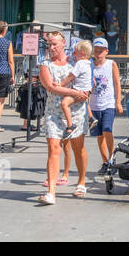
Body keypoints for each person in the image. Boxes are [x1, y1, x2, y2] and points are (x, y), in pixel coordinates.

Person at [36, 31, 91, 205]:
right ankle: (51, 191)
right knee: (53, 149)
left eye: (54, 44)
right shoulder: (45, 65)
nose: (51, 48)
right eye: (49, 45)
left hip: (76, 110)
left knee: (78, 147)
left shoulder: (76, 60)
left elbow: (90, 79)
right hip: (54, 111)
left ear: (63, 44)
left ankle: (81, 181)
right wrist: (75, 92)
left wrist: (87, 91)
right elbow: (51, 87)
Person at [89, 37, 122, 176]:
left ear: (106, 51)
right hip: (94, 105)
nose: (98, 53)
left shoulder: (111, 64)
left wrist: (118, 102)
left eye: (101, 51)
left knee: (107, 130)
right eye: (96, 50)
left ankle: (112, 158)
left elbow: (116, 83)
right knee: (99, 135)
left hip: (108, 103)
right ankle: (105, 162)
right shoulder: (89, 65)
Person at [58, 40, 94, 140]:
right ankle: (91, 118)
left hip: (78, 91)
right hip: (86, 91)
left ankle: (70, 126)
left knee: (64, 103)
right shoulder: (89, 63)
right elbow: (93, 81)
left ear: (82, 53)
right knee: (84, 101)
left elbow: (71, 76)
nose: (73, 54)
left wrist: (60, 85)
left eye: (75, 52)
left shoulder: (80, 63)